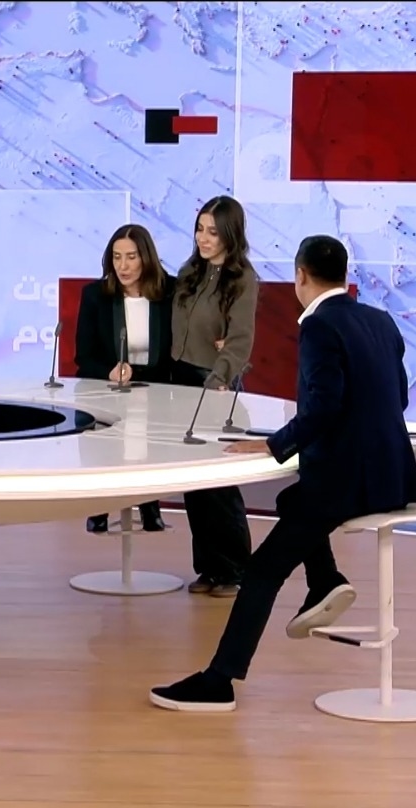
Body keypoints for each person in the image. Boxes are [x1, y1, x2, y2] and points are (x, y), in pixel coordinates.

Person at [150, 235, 416, 712]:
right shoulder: (380, 320)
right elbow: (397, 398)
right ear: (344, 274)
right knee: (291, 501)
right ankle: (325, 581)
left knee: (261, 571)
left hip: (346, 483)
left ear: (300, 275)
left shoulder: (319, 326)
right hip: (393, 477)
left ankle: (219, 682)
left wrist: (274, 444)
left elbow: (324, 406)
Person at [170, 196, 258, 598]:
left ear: (230, 235)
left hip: (215, 384)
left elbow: (240, 340)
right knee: (194, 482)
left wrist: (220, 375)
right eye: (199, 229)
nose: (203, 238)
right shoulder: (190, 272)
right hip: (180, 381)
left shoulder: (242, 280)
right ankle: (208, 568)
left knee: (219, 484)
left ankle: (235, 570)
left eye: (213, 232)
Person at [74, 223, 175, 534]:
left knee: (148, 434)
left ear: (146, 258)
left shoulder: (170, 292)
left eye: (131, 257)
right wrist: (110, 370)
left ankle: (149, 503)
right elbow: (84, 357)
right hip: (110, 388)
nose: (123, 266)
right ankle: (100, 505)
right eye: (117, 257)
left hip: (156, 387)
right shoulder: (96, 295)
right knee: (111, 437)